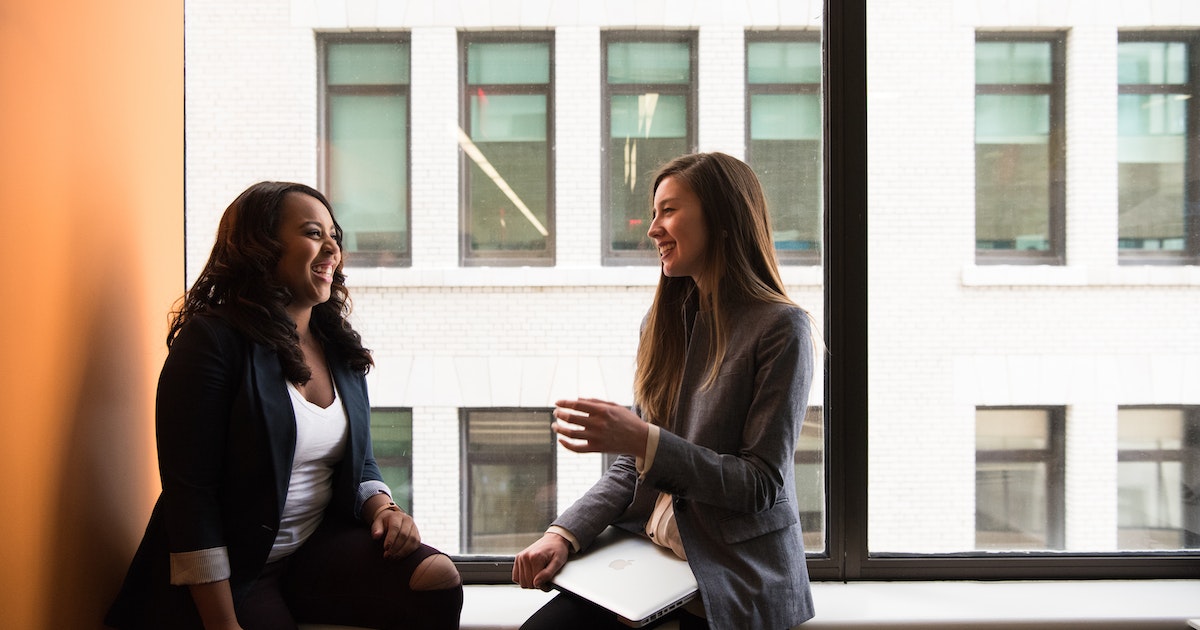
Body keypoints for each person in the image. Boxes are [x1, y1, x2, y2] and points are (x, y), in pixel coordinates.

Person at [105, 182, 463, 630]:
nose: (332, 246)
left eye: (335, 235)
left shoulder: (337, 345)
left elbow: (359, 461)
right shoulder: (212, 342)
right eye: (314, 233)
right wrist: (222, 624)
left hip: (310, 551)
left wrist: (384, 509)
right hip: (233, 573)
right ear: (260, 247)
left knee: (435, 579)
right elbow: (191, 499)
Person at [512, 153, 817, 630]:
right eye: (654, 214)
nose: (653, 229)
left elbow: (759, 485)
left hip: (729, 573)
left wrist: (644, 441)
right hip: (651, 559)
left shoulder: (781, 328)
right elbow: (631, 469)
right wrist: (564, 533)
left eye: (669, 210)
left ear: (722, 218)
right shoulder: (663, 323)